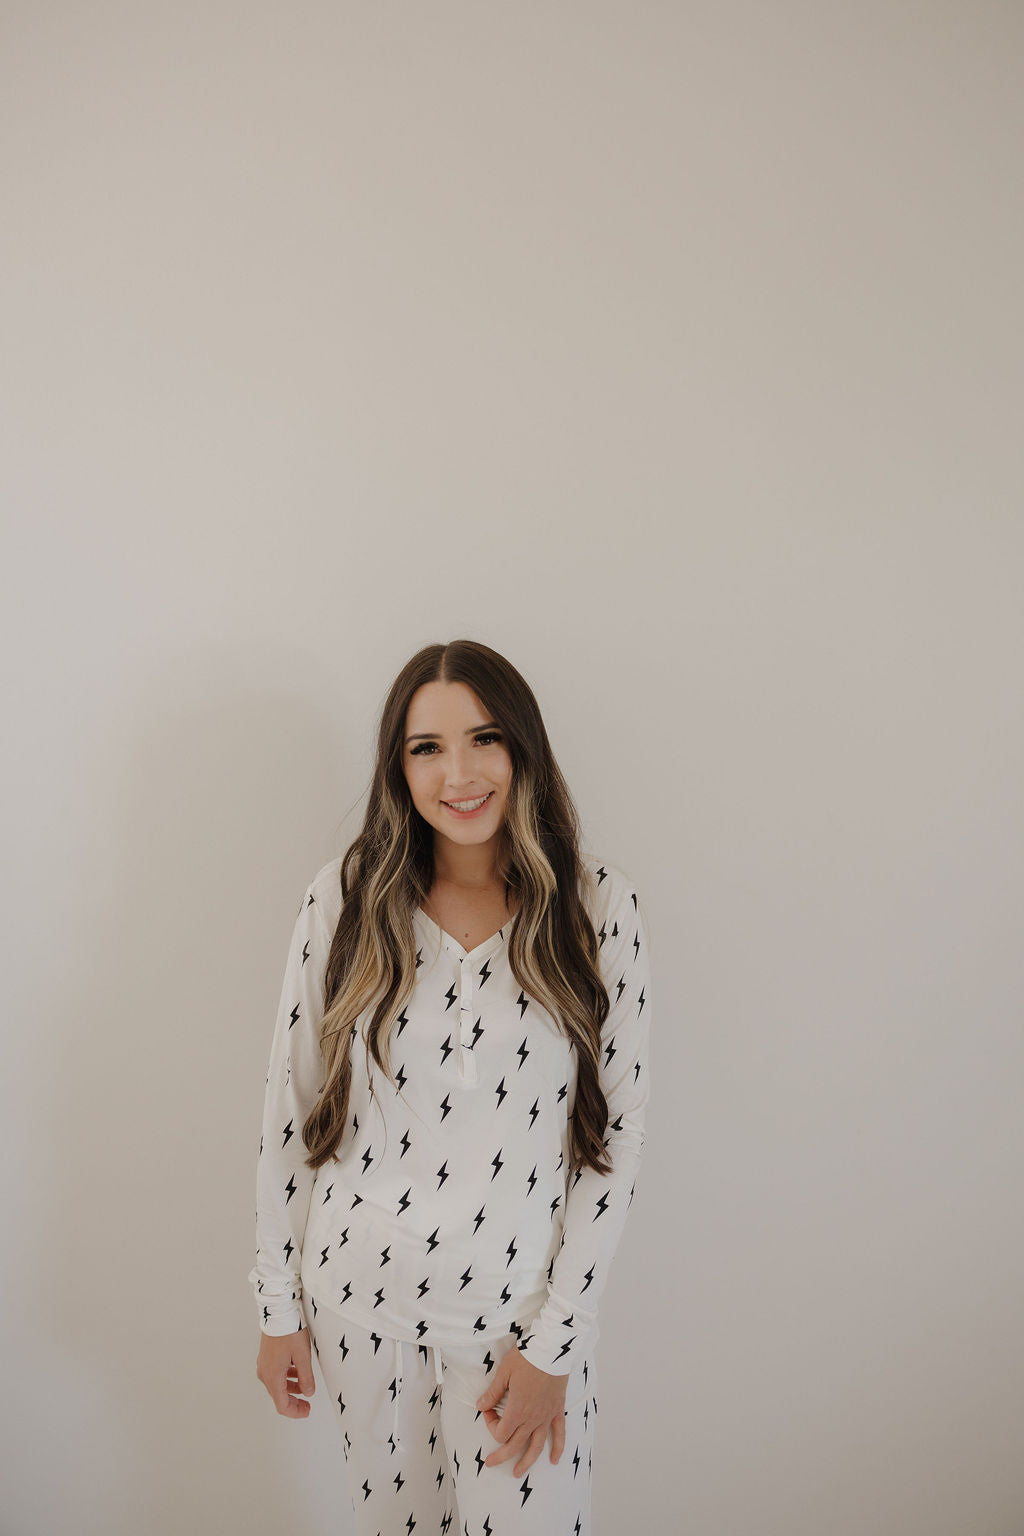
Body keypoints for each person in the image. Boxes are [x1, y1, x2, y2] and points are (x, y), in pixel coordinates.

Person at [248, 638, 654, 1535]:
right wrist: (278, 1301)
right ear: (398, 767)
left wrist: (556, 1344)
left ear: (524, 751)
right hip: (360, 1306)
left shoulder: (595, 911)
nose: (459, 773)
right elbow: (291, 1107)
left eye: (485, 739)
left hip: (516, 1323)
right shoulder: (347, 898)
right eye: (426, 747)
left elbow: (613, 1149)